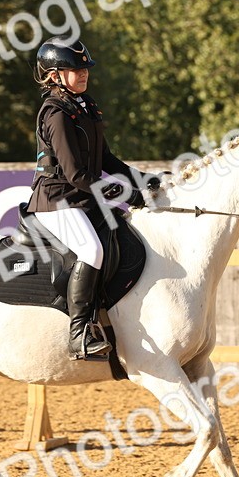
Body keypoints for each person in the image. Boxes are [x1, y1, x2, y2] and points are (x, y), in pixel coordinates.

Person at [24, 37, 159, 360]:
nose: (83, 73)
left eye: (85, 68)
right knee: (91, 248)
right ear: (55, 75)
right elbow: (75, 174)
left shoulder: (85, 106)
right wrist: (120, 192)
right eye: (75, 69)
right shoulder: (56, 113)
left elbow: (106, 160)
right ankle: (79, 331)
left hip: (81, 197)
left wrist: (141, 179)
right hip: (57, 199)